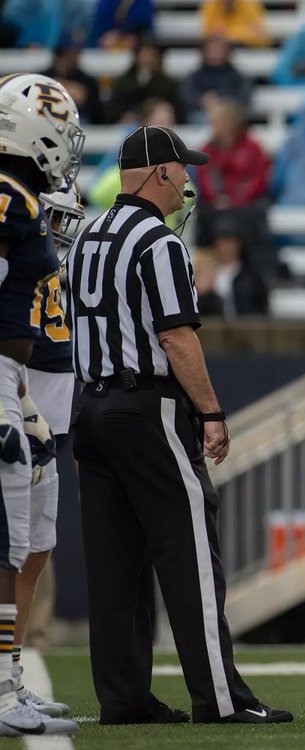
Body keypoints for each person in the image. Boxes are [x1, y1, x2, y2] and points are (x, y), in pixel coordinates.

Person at [64, 124, 291, 725]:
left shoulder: (86, 236)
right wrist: (210, 412)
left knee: (114, 566)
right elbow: (176, 337)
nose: (188, 180)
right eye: (182, 168)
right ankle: (220, 699)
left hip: (90, 405)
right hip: (147, 407)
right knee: (190, 554)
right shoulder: (158, 243)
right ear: (160, 171)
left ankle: (123, 700)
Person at [0, 74, 83, 737]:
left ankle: (9, 680)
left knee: (26, 545)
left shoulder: (22, 196)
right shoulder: (7, 197)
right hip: (7, 380)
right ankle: (2, 691)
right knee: (8, 543)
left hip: (21, 379)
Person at [17, 181, 85, 720]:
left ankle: (9, 673)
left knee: (37, 551)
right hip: (20, 422)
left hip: (49, 430)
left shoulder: (50, 274)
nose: (60, 231)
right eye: (54, 219)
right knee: (12, 553)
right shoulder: (14, 266)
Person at [194, 99, 271, 251]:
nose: (216, 126)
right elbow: (205, 178)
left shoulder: (252, 148)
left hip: (246, 205)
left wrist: (235, 200)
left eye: (220, 122)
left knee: (253, 216)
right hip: (216, 205)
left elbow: (257, 179)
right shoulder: (208, 150)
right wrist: (217, 198)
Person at [106, 37, 182, 124]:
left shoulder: (168, 85)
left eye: (151, 55)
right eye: (144, 55)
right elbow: (113, 109)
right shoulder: (123, 82)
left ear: (158, 58)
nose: (147, 60)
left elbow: (176, 111)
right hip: (126, 125)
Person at [181, 35, 253, 122]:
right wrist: (201, 100)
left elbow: (244, 99)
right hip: (201, 115)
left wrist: (221, 102)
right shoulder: (194, 76)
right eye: (212, 49)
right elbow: (186, 96)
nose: (216, 53)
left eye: (220, 49)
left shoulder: (238, 77)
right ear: (204, 51)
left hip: (229, 116)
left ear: (228, 52)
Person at [209, 216, 269, 317]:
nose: (227, 246)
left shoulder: (252, 277)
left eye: (231, 241)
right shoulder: (204, 275)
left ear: (239, 244)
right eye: (223, 241)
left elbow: (261, 311)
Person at [40, 45, 102, 124]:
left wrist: (82, 96)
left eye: (76, 53)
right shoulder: (42, 78)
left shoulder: (88, 81)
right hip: (45, 120)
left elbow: (96, 113)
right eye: (67, 55)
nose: (73, 58)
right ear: (57, 57)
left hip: (79, 122)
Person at [1, 0, 90, 49]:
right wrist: (28, 41)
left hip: (51, 49)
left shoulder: (60, 3)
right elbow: (10, 16)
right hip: (24, 49)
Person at [200, 0, 269, 48]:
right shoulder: (210, 7)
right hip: (219, 55)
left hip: (247, 50)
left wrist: (225, 33)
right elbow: (208, 36)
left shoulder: (250, 5)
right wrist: (245, 31)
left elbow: (261, 37)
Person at [89, 0, 156, 49]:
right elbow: (99, 24)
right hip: (106, 43)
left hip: (135, 43)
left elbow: (145, 26)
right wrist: (107, 36)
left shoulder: (144, 3)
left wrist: (132, 37)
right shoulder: (106, 2)